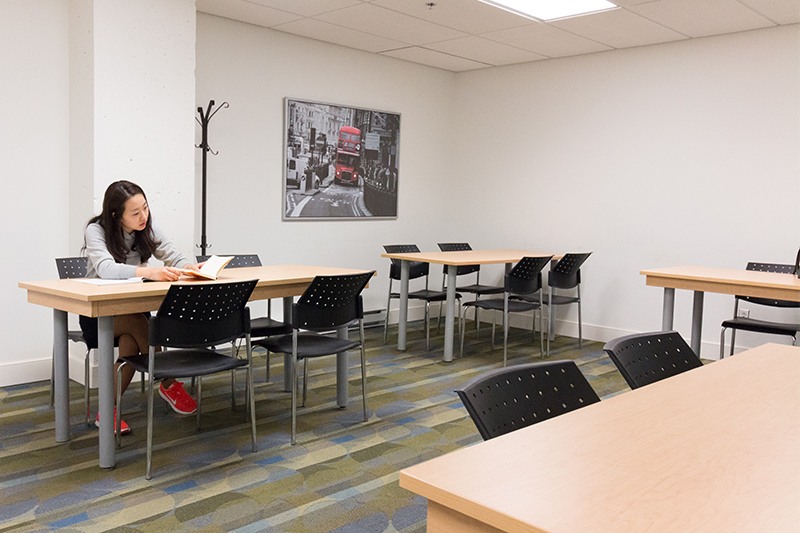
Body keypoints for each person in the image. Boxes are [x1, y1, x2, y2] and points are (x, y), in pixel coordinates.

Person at [81, 180, 203, 434]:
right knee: (141, 323)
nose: (143, 216)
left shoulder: (147, 226)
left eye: (145, 208)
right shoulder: (96, 230)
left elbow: (172, 255)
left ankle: (108, 410)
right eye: (135, 212)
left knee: (130, 344)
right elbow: (105, 268)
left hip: (133, 308)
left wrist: (189, 267)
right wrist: (150, 272)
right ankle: (168, 382)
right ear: (116, 216)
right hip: (99, 312)